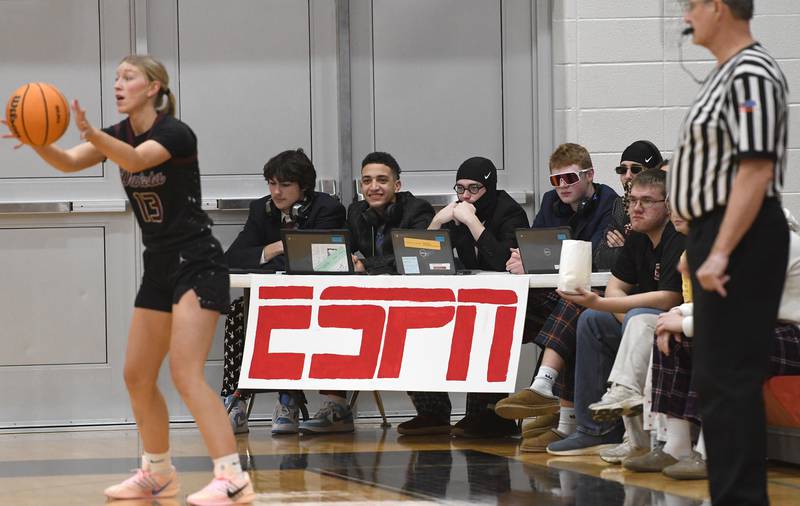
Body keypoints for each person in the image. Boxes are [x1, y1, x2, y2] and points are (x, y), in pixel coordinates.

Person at [2, 55, 253, 504]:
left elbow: (137, 160)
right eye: (116, 76)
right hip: (158, 265)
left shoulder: (174, 132)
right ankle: (157, 473)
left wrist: (92, 133)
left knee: (185, 372)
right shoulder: (117, 135)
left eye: (128, 76)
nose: (118, 83)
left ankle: (232, 477)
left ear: (154, 87)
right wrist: (37, 138)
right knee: (137, 375)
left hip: (197, 261)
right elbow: (66, 161)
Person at [670, 1, 789, 503]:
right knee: (715, 382)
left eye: (691, 4)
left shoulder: (752, 72)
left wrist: (719, 251)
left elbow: (755, 170)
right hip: (714, 232)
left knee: (731, 379)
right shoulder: (725, 74)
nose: (685, 15)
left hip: (742, 234)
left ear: (718, 7)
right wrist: (696, 246)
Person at [546, 169, 684, 456]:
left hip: (678, 321)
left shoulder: (676, 235)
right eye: (632, 200)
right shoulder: (638, 236)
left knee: (619, 314)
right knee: (592, 321)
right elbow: (614, 288)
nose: (636, 208)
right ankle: (592, 431)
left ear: (667, 206)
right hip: (644, 323)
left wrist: (605, 307)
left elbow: (669, 296)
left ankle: (634, 439)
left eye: (646, 201)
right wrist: (622, 321)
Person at [495, 143, 618, 450]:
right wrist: (522, 261)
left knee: (573, 298)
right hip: (555, 292)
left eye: (570, 178)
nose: (562, 186)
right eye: (556, 180)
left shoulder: (610, 203)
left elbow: (594, 259)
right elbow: (536, 245)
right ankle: (499, 410)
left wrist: (541, 260)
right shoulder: (551, 202)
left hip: (591, 292)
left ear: (589, 175)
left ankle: (544, 387)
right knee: (509, 307)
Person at [397, 156, 529, 437]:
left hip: (510, 303)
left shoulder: (511, 213)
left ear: (489, 187)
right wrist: (435, 222)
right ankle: (432, 411)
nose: (466, 196)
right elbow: (421, 257)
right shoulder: (458, 212)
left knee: (485, 323)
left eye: (474, 188)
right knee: (414, 319)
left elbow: (502, 263)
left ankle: (489, 414)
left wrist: (473, 224)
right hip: (470, 296)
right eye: (460, 188)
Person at [220, 148, 347, 436]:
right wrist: (276, 247)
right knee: (240, 311)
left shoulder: (327, 209)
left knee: (300, 317)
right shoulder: (261, 209)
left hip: (319, 301)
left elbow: (319, 259)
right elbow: (233, 257)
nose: (276, 192)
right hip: (273, 299)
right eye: (271, 183)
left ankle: (298, 400)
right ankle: (235, 402)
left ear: (303, 187)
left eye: (285, 185)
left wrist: (279, 254)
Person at [347, 151, 435, 274]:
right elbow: (343, 248)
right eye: (367, 181)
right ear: (361, 187)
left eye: (382, 180)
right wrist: (347, 260)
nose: (373, 187)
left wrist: (365, 264)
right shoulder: (356, 211)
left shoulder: (418, 209)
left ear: (396, 186)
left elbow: (415, 256)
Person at [594, 140, 664, 270]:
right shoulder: (620, 205)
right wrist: (632, 252)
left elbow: (657, 256)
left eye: (636, 169)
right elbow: (600, 258)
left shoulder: (664, 206)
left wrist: (626, 248)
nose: (627, 176)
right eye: (622, 170)